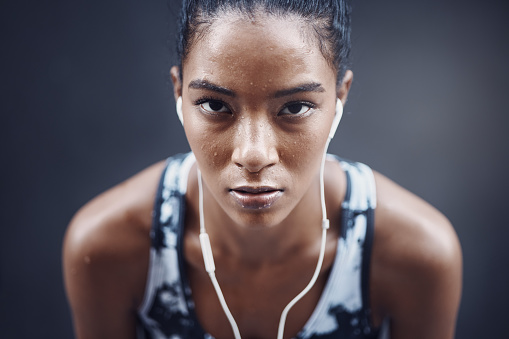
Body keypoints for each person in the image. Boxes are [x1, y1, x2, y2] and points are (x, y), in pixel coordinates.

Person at [63, 0, 462, 338]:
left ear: (340, 97)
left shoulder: (413, 256)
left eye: (295, 107)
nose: (253, 155)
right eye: (216, 106)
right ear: (179, 93)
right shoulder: (110, 249)